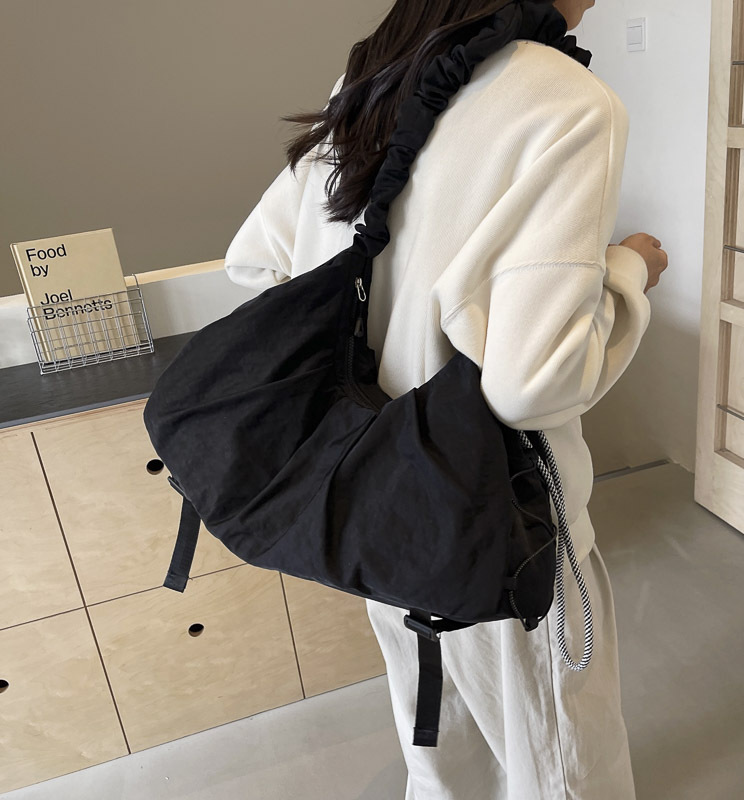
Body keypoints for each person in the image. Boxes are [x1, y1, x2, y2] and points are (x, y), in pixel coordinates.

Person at [223, 0, 669, 796]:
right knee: (559, 753)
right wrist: (627, 271)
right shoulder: (569, 101)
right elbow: (534, 383)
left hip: (371, 493)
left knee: (435, 722)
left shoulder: (374, 72)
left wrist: (390, 342)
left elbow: (257, 263)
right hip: (500, 510)